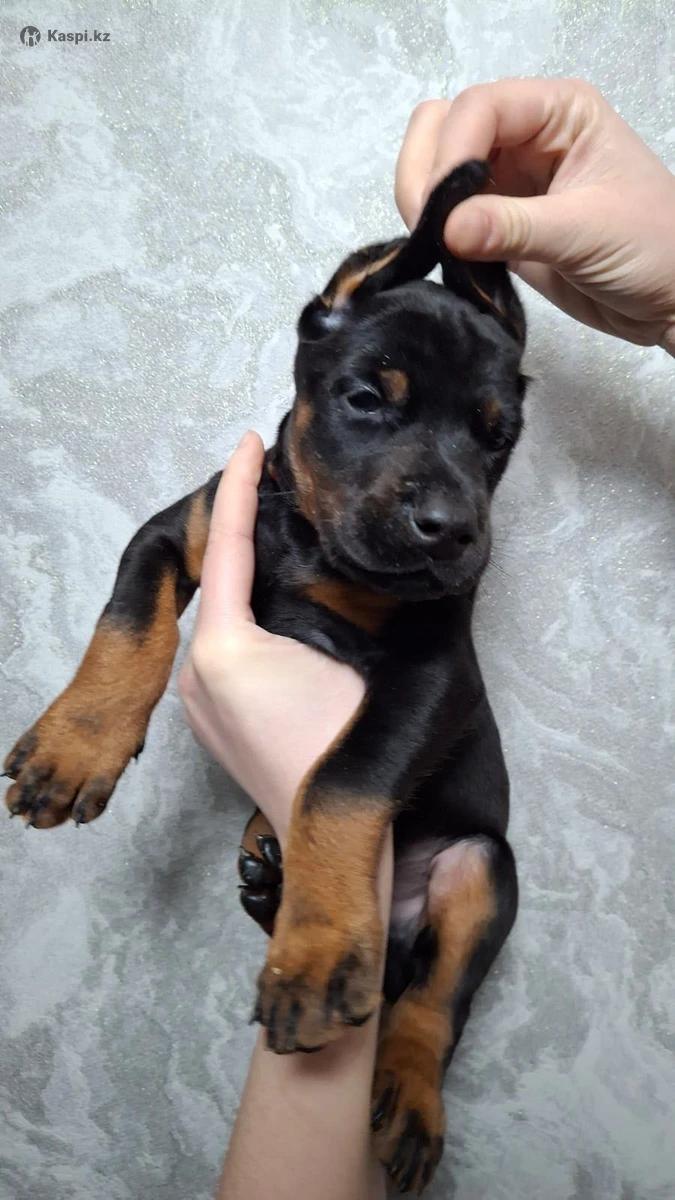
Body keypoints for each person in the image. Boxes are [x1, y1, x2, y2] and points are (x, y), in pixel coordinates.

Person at [178, 78, 675, 1200]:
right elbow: (164, 553)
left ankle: (420, 1034)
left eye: (485, 442)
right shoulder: (259, 501)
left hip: (433, 840)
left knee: (481, 870)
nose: (447, 502)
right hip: (317, 854)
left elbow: (426, 687)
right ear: (316, 353)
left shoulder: (426, 595)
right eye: (374, 403)